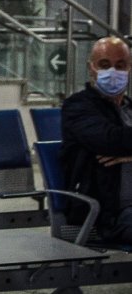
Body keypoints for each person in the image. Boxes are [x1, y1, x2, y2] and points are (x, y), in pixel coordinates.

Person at [61, 36, 132, 243]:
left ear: (129, 68)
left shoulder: (129, 108)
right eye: (104, 65)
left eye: (120, 65)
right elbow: (111, 140)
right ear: (91, 68)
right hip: (111, 214)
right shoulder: (77, 107)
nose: (113, 71)